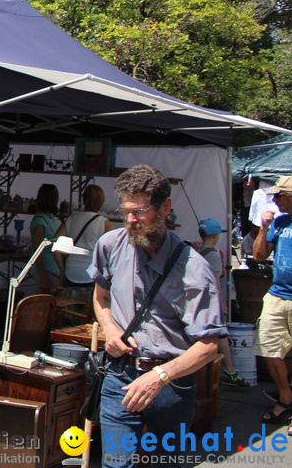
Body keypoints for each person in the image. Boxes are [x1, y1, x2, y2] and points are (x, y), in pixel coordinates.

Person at [89, 164, 224, 468]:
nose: (130, 221)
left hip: (170, 385)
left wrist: (160, 376)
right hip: (120, 377)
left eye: (139, 212)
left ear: (165, 207)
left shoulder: (194, 268)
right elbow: (100, 298)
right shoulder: (110, 246)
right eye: (125, 212)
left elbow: (209, 346)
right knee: (115, 465)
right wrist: (110, 330)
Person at [252, 175, 292, 424]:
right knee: (268, 346)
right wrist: (264, 228)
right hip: (277, 295)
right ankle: (286, 397)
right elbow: (258, 256)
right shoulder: (280, 222)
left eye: (279, 195)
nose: (275, 200)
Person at [194, 218, 249, 387]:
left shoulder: (198, 250)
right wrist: (222, 303)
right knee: (221, 333)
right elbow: (215, 282)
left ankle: (223, 370)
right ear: (215, 236)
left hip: (199, 298)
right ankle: (229, 370)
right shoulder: (213, 254)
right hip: (211, 299)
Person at [59, 184, 113, 288]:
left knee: (68, 302)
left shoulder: (71, 219)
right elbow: (111, 251)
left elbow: (56, 244)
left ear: (83, 200)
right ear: (101, 202)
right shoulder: (105, 223)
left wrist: (62, 268)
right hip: (91, 273)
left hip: (71, 271)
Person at [28, 183, 62, 294]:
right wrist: (43, 278)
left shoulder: (53, 219)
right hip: (45, 270)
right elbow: (37, 252)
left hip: (55, 269)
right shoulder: (40, 221)